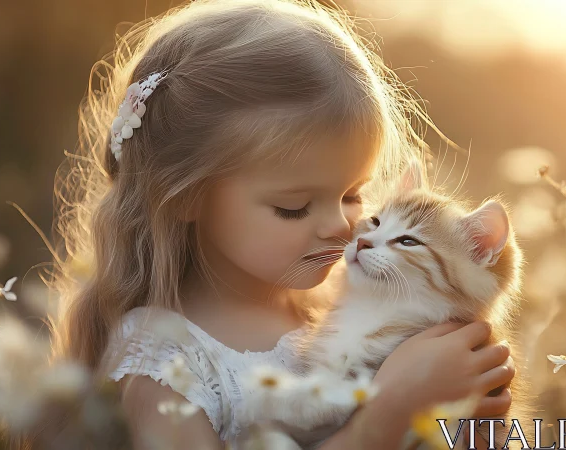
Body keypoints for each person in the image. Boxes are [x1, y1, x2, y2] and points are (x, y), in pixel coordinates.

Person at [43, 0, 515, 448]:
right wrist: (391, 414)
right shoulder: (164, 368)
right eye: (294, 206)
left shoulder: (329, 308)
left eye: (353, 195)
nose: (341, 226)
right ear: (186, 197)